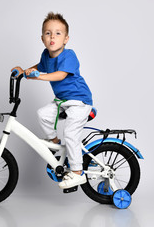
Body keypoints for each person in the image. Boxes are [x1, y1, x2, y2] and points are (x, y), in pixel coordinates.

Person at [11, 12, 93, 189]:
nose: (52, 37)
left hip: (79, 101)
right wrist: (23, 71)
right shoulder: (46, 56)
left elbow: (60, 75)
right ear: (42, 39)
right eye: (48, 33)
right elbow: (38, 67)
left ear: (66, 39)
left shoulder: (69, 55)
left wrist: (39, 77)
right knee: (43, 114)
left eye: (57, 33)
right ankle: (55, 145)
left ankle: (78, 172)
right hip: (62, 101)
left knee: (71, 134)